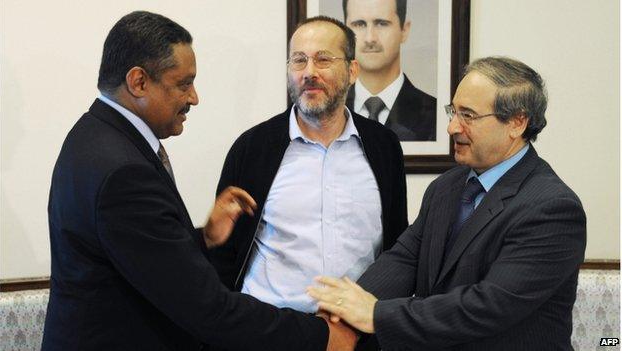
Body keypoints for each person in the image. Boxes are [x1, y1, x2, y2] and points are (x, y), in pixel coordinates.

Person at [42, 11, 356, 351]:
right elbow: (209, 309)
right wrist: (321, 337)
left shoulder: (93, 135)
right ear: (138, 82)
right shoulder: (123, 172)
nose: (194, 97)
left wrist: (202, 239)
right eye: (183, 84)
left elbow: (142, 257)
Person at [309, 56, 587, 350]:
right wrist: (341, 312)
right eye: (453, 112)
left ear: (517, 123)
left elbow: (489, 306)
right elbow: (405, 259)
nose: (452, 127)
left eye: (468, 115)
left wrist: (376, 315)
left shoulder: (552, 208)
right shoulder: (447, 186)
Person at [210, 14, 407, 326]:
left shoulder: (384, 147)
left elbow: (398, 247)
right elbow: (223, 250)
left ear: (352, 70)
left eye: (323, 59)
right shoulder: (252, 148)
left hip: (356, 333)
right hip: (269, 330)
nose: (309, 73)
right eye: (299, 60)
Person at [343, 0, 436, 141]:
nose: (370, 38)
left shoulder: (434, 115)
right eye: (359, 24)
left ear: (404, 30)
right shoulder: (329, 111)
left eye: (381, 23)